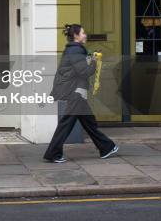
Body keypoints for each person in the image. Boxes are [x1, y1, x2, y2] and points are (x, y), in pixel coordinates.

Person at [44, 24, 119, 163]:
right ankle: (53, 153)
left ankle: (106, 147)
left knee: (89, 122)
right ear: (76, 36)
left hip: (76, 91)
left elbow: (80, 66)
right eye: (83, 33)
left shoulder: (75, 50)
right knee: (66, 125)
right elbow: (84, 71)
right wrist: (95, 62)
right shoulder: (75, 51)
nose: (85, 35)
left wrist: (90, 57)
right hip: (75, 92)